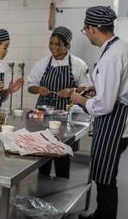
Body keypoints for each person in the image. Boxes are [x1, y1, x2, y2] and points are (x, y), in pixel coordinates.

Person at [69, 6, 128, 219]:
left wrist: (78, 98)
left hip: (115, 124)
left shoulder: (111, 56)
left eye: (85, 30)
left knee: (105, 180)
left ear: (92, 28)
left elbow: (104, 106)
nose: (87, 34)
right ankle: (98, 218)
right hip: (124, 120)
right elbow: (122, 85)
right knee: (103, 174)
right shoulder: (126, 47)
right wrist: (97, 89)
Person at [27, 26, 92, 179]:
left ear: (67, 45)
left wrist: (72, 90)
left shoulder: (78, 64)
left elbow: (87, 88)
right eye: (51, 43)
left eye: (58, 44)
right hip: (43, 115)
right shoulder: (42, 63)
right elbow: (30, 86)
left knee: (62, 152)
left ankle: (61, 191)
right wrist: (38, 89)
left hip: (66, 114)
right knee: (44, 152)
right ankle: (42, 188)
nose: (53, 48)